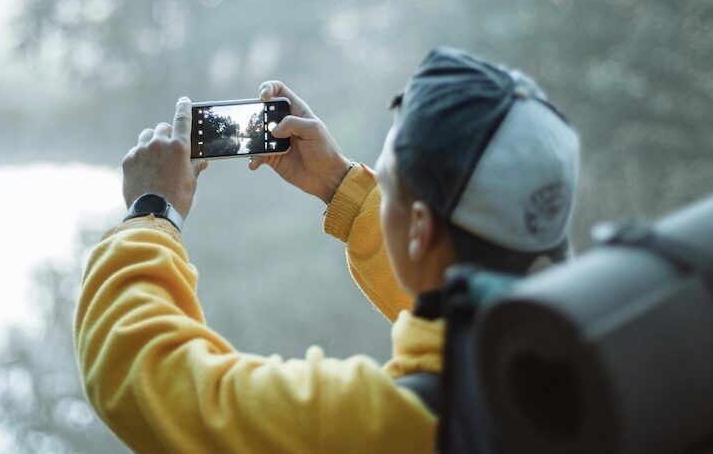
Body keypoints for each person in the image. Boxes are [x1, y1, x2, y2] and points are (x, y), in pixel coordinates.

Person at [73, 47, 580, 452]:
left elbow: (150, 380)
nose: (381, 194)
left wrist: (152, 211)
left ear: (420, 229)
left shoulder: (381, 426)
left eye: (389, 185)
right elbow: (455, 296)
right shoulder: (598, 340)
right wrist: (341, 185)